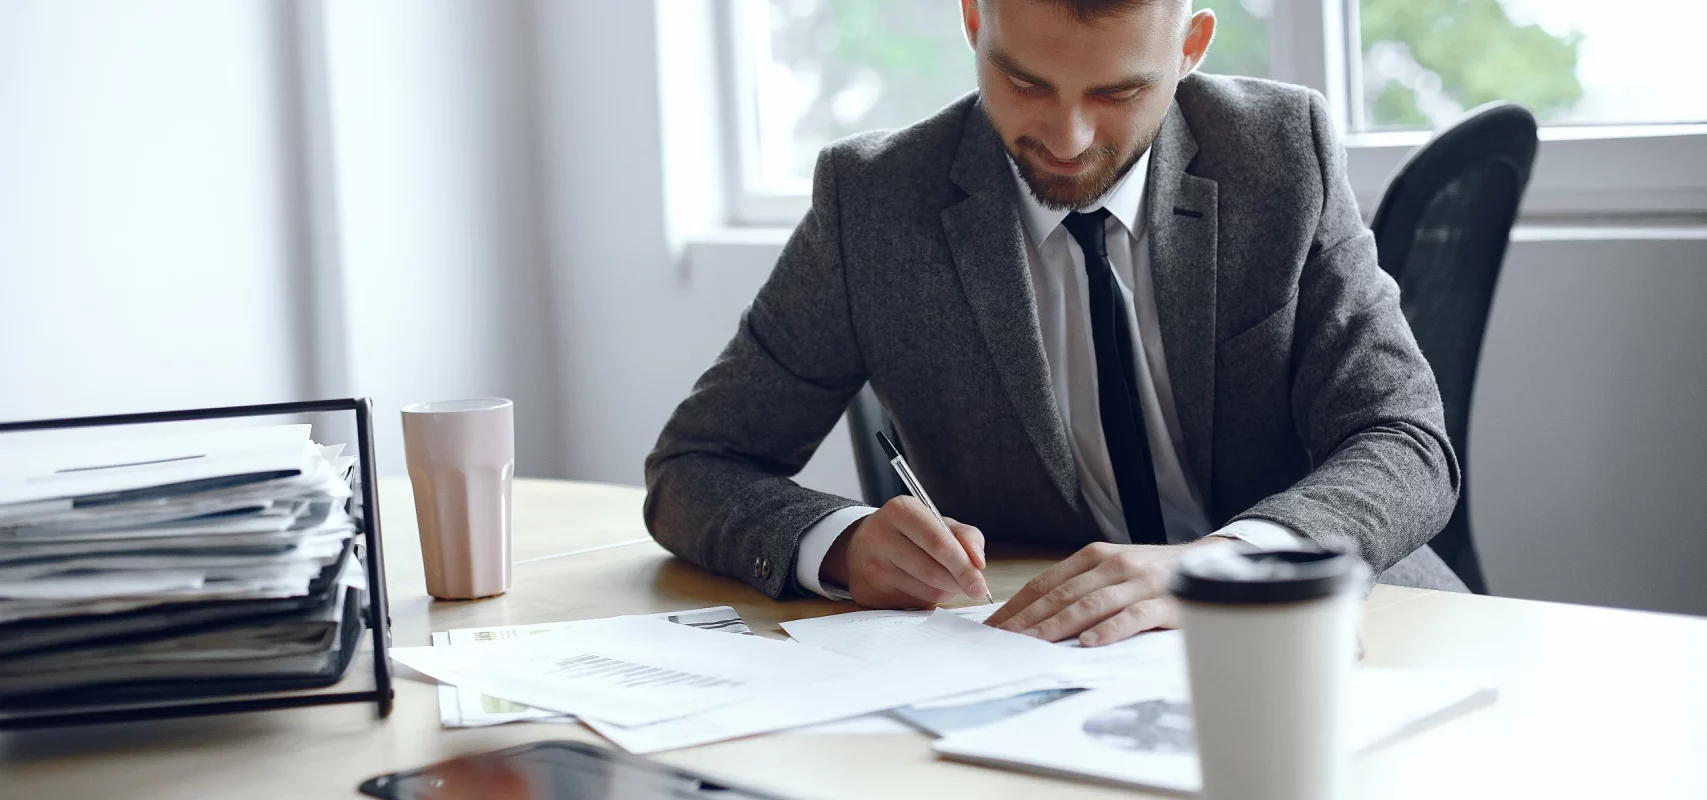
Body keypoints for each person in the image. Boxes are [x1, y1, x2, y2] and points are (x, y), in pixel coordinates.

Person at [645, 0, 1463, 647]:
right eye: (1026, 83)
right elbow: (695, 466)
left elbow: (1404, 441)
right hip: (1037, 662)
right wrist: (836, 542)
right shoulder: (873, 202)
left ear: (1190, 47)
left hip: (1321, 637)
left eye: (1117, 93)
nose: (1068, 141)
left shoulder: (1279, 154)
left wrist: (1223, 568)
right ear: (974, 20)